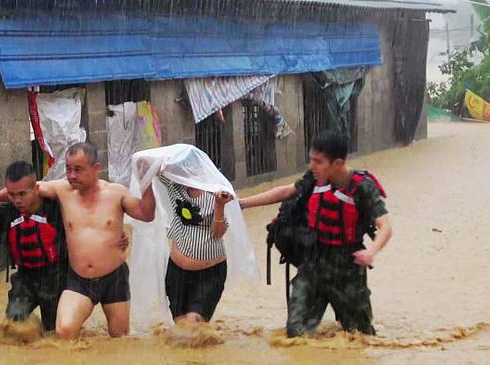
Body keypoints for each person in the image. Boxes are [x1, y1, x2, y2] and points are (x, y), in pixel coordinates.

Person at [0, 142, 156, 339]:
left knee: (119, 337)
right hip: (79, 279)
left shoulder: (116, 193)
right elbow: (26, 188)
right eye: (68, 169)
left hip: (114, 276)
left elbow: (145, 214)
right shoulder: (62, 190)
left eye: (77, 170)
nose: (71, 175)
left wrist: (147, 182)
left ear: (96, 168)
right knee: (64, 331)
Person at [238, 130, 393, 337]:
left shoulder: (362, 187)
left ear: (337, 163)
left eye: (318, 161)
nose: (312, 166)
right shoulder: (313, 179)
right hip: (313, 264)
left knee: (360, 337)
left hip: (348, 270)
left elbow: (385, 227)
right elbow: (286, 192)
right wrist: (240, 203)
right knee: (296, 335)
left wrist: (371, 252)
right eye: (312, 159)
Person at [0, 161, 66, 332]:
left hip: (56, 277)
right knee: (12, 327)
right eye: (12, 195)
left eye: (22, 194)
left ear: (36, 189)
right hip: (25, 278)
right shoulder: (6, 212)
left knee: (55, 333)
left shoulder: (57, 208)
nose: (17, 200)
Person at [159, 175, 234, 323]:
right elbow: (147, 164)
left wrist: (219, 205)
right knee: (181, 326)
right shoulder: (174, 184)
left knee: (193, 324)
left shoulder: (215, 191)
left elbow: (218, 233)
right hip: (177, 273)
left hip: (209, 274)